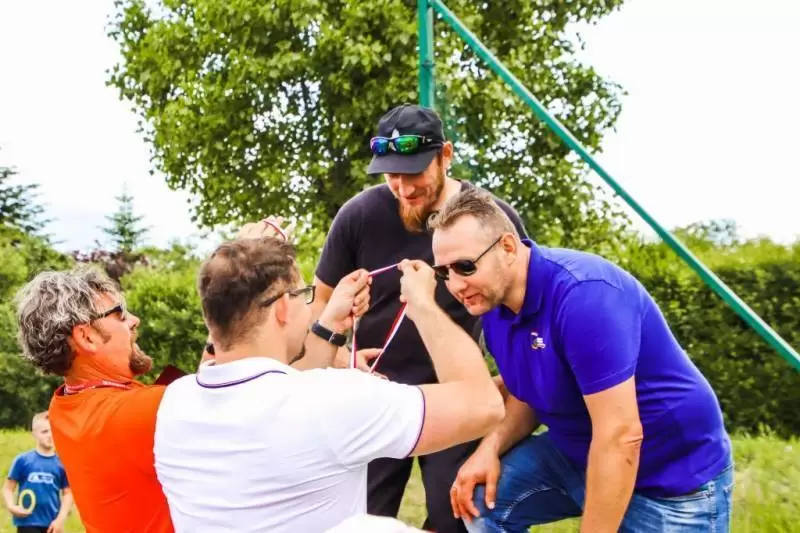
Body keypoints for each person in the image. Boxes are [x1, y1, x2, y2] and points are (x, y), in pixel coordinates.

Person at [428, 188, 735, 533]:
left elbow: (621, 437)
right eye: (444, 272)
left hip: (670, 480)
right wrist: (490, 448)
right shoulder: (493, 306)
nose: (456, 285)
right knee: (479, 503)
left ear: (508, 247)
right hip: (578, 454)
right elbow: (529, 392)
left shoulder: (584, 296)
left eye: (465, 266)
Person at [152, 234, 504, 533]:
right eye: (305, 295)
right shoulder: (336, 399)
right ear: (282, 308)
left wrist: (330, 324)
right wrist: (424, 305)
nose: (310, 308)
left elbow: (274, 391)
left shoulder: (175, 402)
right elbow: (482, 405)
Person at [311, 103, 528, 532]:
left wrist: (506, 380)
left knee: (458, 519)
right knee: (356, 522)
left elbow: (523, 312)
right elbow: (319, 305)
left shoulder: (491, 220)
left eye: (414, 173)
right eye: (392, 175)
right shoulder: (359, 215)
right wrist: (340, 359)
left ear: (445, 155)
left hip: (453, 400)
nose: (404, 187)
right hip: (374, 399)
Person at [14, 267, 174, 533]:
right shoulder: (134, 413)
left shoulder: (64, 405)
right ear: (86, 337)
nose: (134, 320)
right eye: (120, 314)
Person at [2, 412, 72, 533]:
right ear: (34, 434)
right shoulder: (22, 460)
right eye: (44, 432)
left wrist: (60, 520)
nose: (50, 435)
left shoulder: (62, 464)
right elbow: (7, 488)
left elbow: (68, 494)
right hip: (27, 522)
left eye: (53, 431)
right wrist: (11, 506)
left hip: (52, 524)